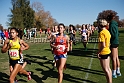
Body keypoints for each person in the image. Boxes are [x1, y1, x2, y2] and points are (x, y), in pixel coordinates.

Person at [107, 13, 121, 78]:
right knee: (116, 57)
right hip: (116, 41)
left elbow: (113, 34)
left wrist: (110, 39)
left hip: (113, 42)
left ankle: (114, 72)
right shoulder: (115, 24)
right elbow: (117, 34)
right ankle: (118, 71)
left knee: (113, 58)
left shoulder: (112, 24)